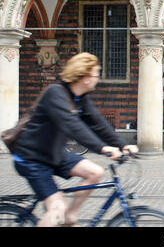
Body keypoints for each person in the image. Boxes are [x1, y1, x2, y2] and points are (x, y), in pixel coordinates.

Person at [12, 52, 138, 227]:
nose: (97, 78)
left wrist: (123, 145)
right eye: (96, 74)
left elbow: (99, 124)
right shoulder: (55, 94)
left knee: (95, 172)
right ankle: (62, 214)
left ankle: (71, 217)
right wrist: (103, 149)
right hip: (32, 157)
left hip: (54, 152)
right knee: (57, 208)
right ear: (85, 77)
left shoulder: (79, 98)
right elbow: (73, 126)